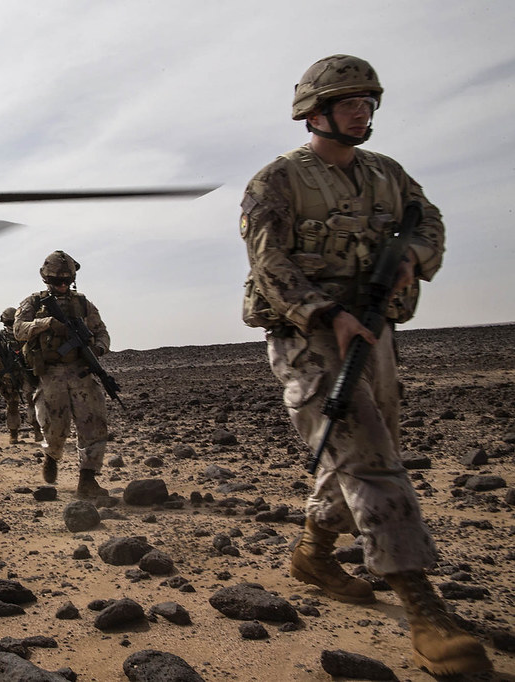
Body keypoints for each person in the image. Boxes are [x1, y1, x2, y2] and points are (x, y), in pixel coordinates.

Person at [240, 55, 490, 676]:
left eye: (368, 103)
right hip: (309, 336)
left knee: (365, 452)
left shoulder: (388, 175)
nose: (362, 112)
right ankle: (423, 610)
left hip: (374, 332)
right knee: (369, 459)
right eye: (349, 103)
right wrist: (327, 313)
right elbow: (269, 266)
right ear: (315, 112)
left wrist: (413, 258)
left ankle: (314, 552)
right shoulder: (277, 181)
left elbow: (429, 222)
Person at [14, 251, 110, 498]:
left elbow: (101, 331)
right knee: (55, 427)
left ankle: (87, 479)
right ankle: (52, 455)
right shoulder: (34, 303)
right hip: (51, 374)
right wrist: (45, 323)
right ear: (46, 279)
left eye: (67, 280)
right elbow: (19, 330)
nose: (63, 285)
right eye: (57, 281)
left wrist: (99, 348)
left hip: (80, 371)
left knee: (93, 424)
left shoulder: (83, 303)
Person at [0, 307, 41, 444]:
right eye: (8, 322)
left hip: (25, 372)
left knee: (32, 401)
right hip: (8, 374)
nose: (10, 325)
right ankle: (14, 434)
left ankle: (37, 431)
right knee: (12, 404)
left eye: (11, 322)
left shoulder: (24, 334)